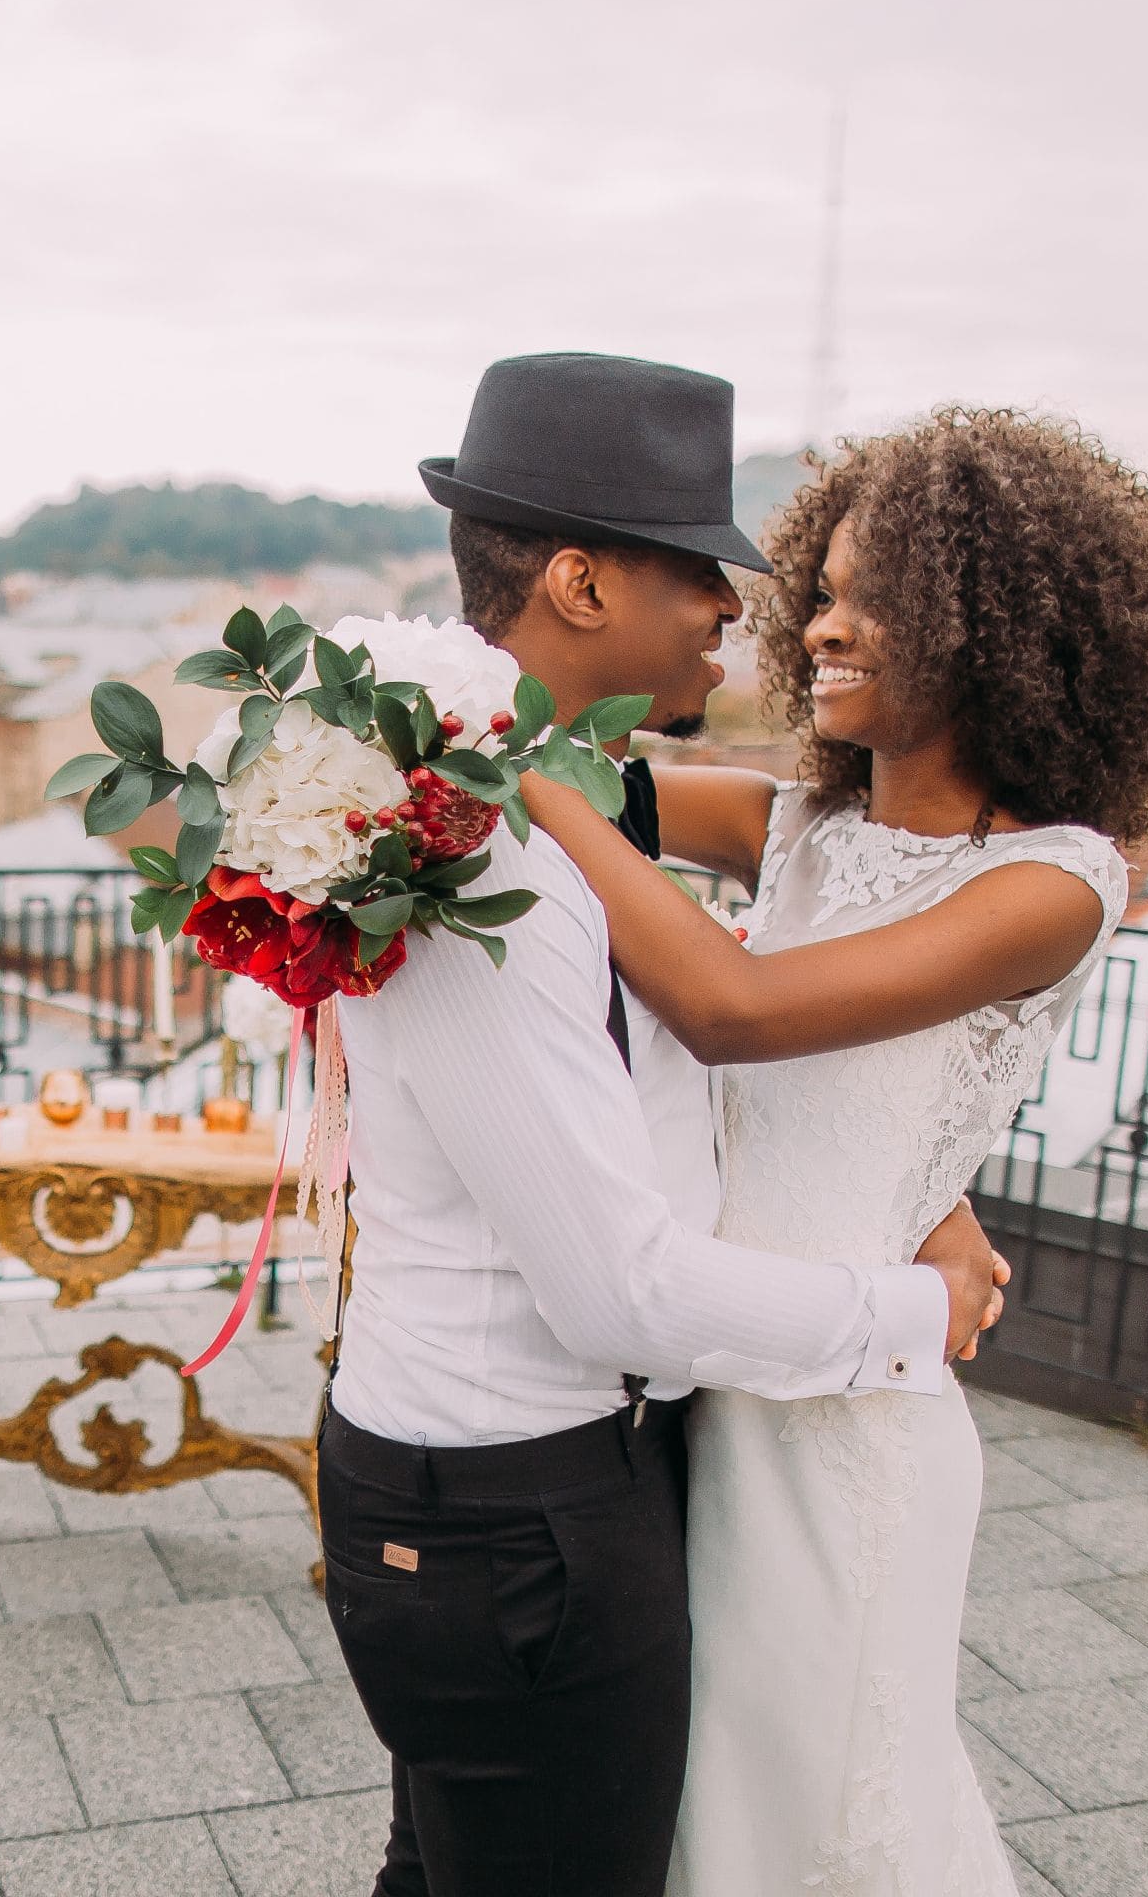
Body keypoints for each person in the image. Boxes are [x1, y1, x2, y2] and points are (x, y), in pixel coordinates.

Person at [316, 353, 1010, 1897]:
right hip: (516, 1510)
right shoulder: (473, 860)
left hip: (546, 1481)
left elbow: (707, 1050)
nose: (734, 613)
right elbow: (618, 1289)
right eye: (703, 572)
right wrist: (920, 1308)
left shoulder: (573, 797)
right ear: (576, 581)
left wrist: (916, 1173)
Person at [518, 404, 1148, 1893]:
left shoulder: (1055, 882)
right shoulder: (797, 830)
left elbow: (735, 1008)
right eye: (819, 590)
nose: (819, 624)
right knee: (719, 1811)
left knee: (828, 1818)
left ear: (995, 625)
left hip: (849, 1433)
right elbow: (577, 768)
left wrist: (534, 794)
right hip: (715, 1384)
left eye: (867, 595)